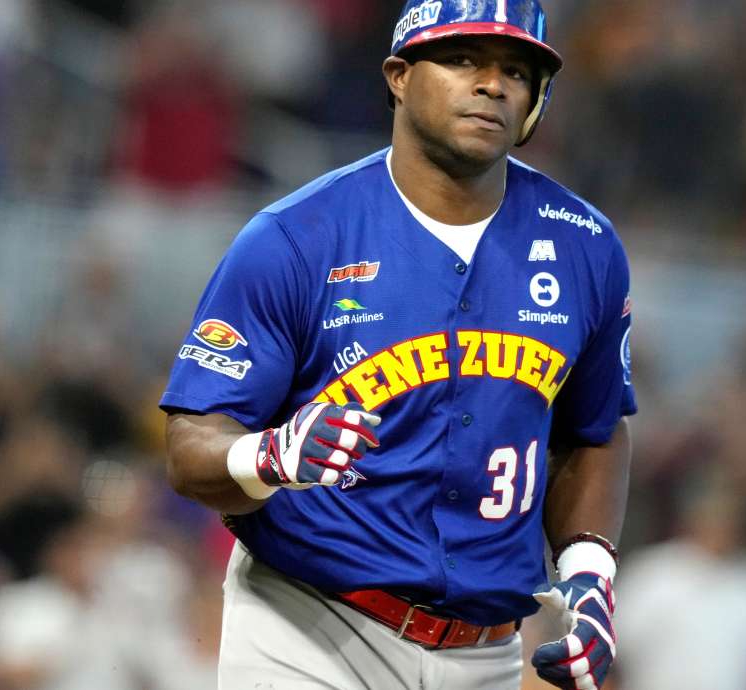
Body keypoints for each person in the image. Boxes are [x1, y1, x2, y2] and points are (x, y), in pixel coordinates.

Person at [161, 2, 636, 689]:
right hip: (306, 626)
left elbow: (595, 428)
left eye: (516, 70)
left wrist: (590, 571)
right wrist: (269, 456)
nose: (492, 84)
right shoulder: (297, 236)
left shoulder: (584, 245)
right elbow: (189, 446)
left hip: (486, 651)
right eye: (462, 59)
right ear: (399, 76)